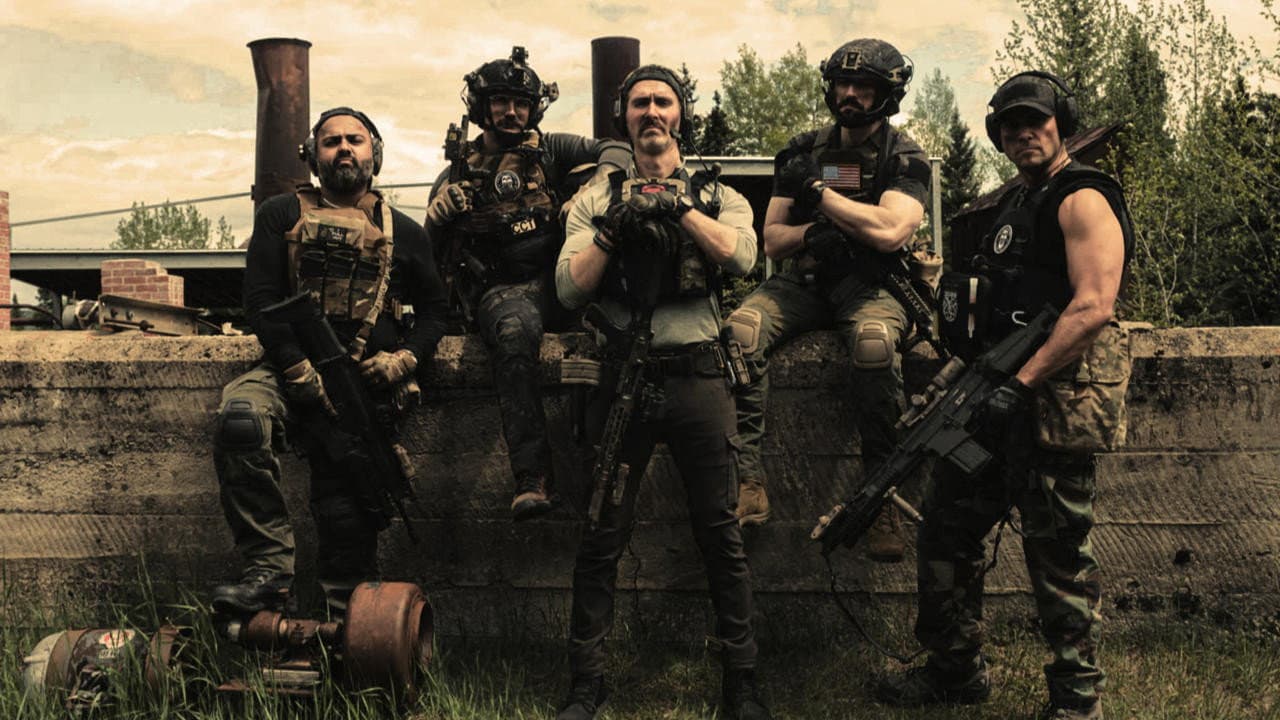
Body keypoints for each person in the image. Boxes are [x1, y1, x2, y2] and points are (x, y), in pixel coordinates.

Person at [876, 71, 1133, 720]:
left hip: (1052, 403)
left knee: (1057, 555)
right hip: (991, 399)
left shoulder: (1081, 197)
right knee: (947, 528)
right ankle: (954, 669)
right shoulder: (1015, 202)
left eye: (1034, 120)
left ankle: (1077, 701)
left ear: (1060, 122)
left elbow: (1093, 306)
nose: (1022, 133)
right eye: (1009, 125)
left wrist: (1019, 384)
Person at [553, 65, 771, 720]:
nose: (651, 112)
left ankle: (743, 681)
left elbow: (744, 258)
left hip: (699, 375)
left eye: (663, 102)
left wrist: (679, 208)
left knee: (721, 533)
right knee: (602, 529)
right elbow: (568, 289)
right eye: (640, 103)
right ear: (623, 118)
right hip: (624, 376)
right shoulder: (594, 198)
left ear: (681, 115)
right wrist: (614, 228)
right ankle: (586, 682)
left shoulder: (718, 194)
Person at [211, 107, 448, 616]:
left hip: (361, 386)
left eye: (355, 140)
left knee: (349, 502)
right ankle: (268, 573)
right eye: (331, 140)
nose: (343, 148)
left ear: (374, 155)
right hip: (287, 370)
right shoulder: (280, 215)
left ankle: (347, 627)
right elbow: (261, 300)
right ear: (313, 156)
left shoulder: (406, 232)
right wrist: (297, 367)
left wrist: (405, 359)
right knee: (241, 418)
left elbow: (436, 312)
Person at [725, 39, 930, 563]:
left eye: (864, 86)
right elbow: (774, 240)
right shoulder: (801, 151)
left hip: (873, 287)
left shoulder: (905, 156)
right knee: (739, 332)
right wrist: (813, 234)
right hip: (808, 281)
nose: (850, 94)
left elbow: (890, 232)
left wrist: (818, 196)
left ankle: (881, 498)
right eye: (843, 83)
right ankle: (747, 482)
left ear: (888, 94)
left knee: (873, 345)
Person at [425, 46, 631, 521]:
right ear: (482, 106)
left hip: (565, 278)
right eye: (501, 101)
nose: (512, 112)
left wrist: (596, 183)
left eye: (521, 103)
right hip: (503, 291)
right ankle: (531, 476)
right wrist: (436, 218)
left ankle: (609, 469)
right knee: (515, 334)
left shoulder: (550, 149)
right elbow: (427, 258)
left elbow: (616, 149)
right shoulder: (455, 172)